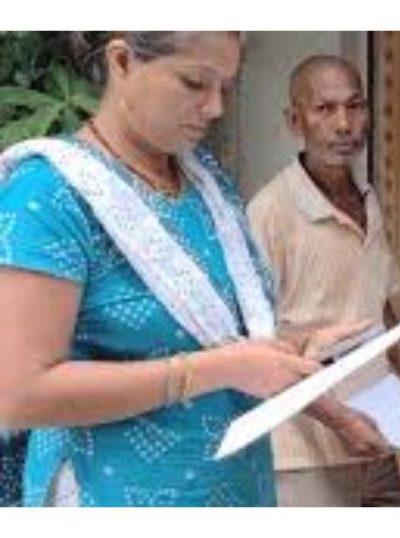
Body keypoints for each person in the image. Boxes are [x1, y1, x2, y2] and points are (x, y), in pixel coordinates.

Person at [0, 32, 375, 507]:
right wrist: (218, 369)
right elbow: (18, 393)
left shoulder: (205, 183)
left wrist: (292, 354)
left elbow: (218, 340)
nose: (215, 107)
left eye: (226, 87)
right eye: (195, 82)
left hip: (237, 490)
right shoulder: (48, 194)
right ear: (122, 62)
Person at [247, 55, 400, 507]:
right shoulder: (269, 213)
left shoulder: (367, 198)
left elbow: (373, 301)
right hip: (304, 452)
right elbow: (255, 345)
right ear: (295, 120)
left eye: (355, 107)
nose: (344, 123)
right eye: (325, 109)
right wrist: (339, 421)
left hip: (375, 431)